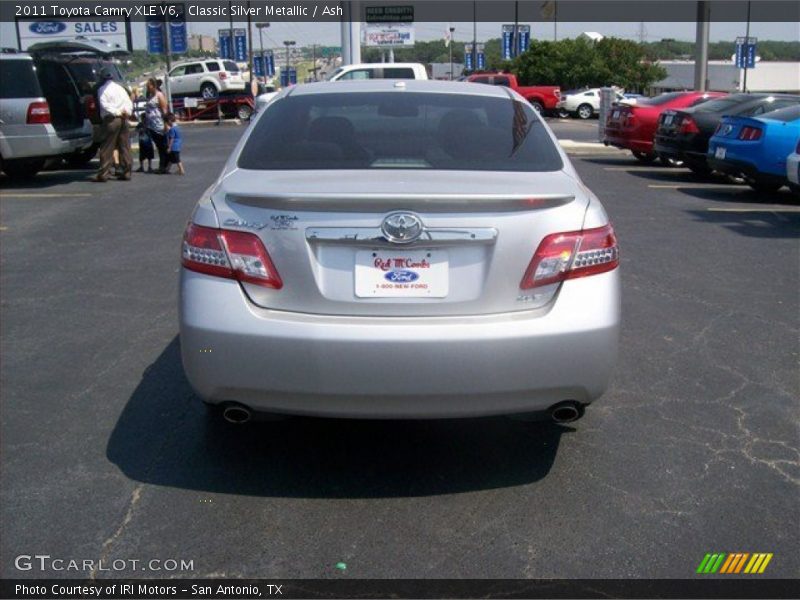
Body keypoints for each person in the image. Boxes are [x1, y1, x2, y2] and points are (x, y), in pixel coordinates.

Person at [92, 69, 133, 182]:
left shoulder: (102, 89)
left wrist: (117, 112)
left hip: (112, 119)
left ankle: (104, 173)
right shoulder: (120, 88)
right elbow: (128, 102)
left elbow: (105, 105)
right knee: (124, 146)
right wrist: (126, 112)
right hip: (124, 118)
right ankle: (126, 171)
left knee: (107, 147)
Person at [144, 77, 168, 173]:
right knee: (159, 146)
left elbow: (164, 110)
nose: (147, 88)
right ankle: (162, 165)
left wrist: (166, 124)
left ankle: (163, 166)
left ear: (153, 86)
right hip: (152, 125)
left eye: (148, 86)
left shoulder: (159, 95)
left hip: (159, 124)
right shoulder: (150, 95)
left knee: (162, 146)